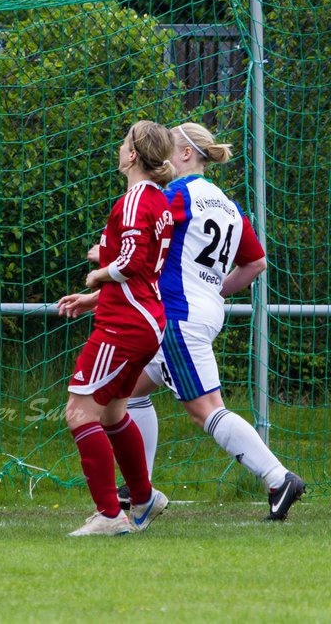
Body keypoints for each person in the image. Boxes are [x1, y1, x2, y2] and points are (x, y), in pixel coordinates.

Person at [115, 122, 304, 520]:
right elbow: (256, 263)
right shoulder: (228, 205)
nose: (162, 153)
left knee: (206, 410)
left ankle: (278, 477)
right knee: (131, 391)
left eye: (170, 146)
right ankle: (140, 489)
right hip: (200, 314)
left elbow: (148, 235)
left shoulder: (176, 194)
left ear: (185, 154)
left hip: (179, 317)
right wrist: (212, 291)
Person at [55, 120, 176, 536]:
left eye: (124, 144)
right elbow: (141, 267)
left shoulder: (132, 202)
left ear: (133, 156)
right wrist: (97, 295)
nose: (119, 150)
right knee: (112, 411)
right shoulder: (158, 200)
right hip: (144, 318)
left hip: (123, 326)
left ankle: (110, 515)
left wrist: (98, 275)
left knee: (78, 411)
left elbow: (129, 264)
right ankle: (143, 498)